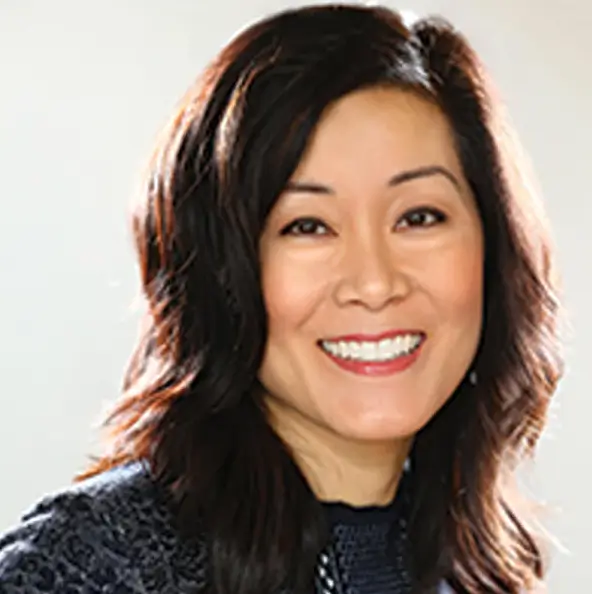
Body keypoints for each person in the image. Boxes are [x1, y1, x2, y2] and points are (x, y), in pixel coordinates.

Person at [0, 3, 563, 593]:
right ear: (221, 272)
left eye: (419, 217)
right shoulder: (98, 567)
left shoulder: (485, 572)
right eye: (307, 226)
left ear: (493, 247)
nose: (374, 282)